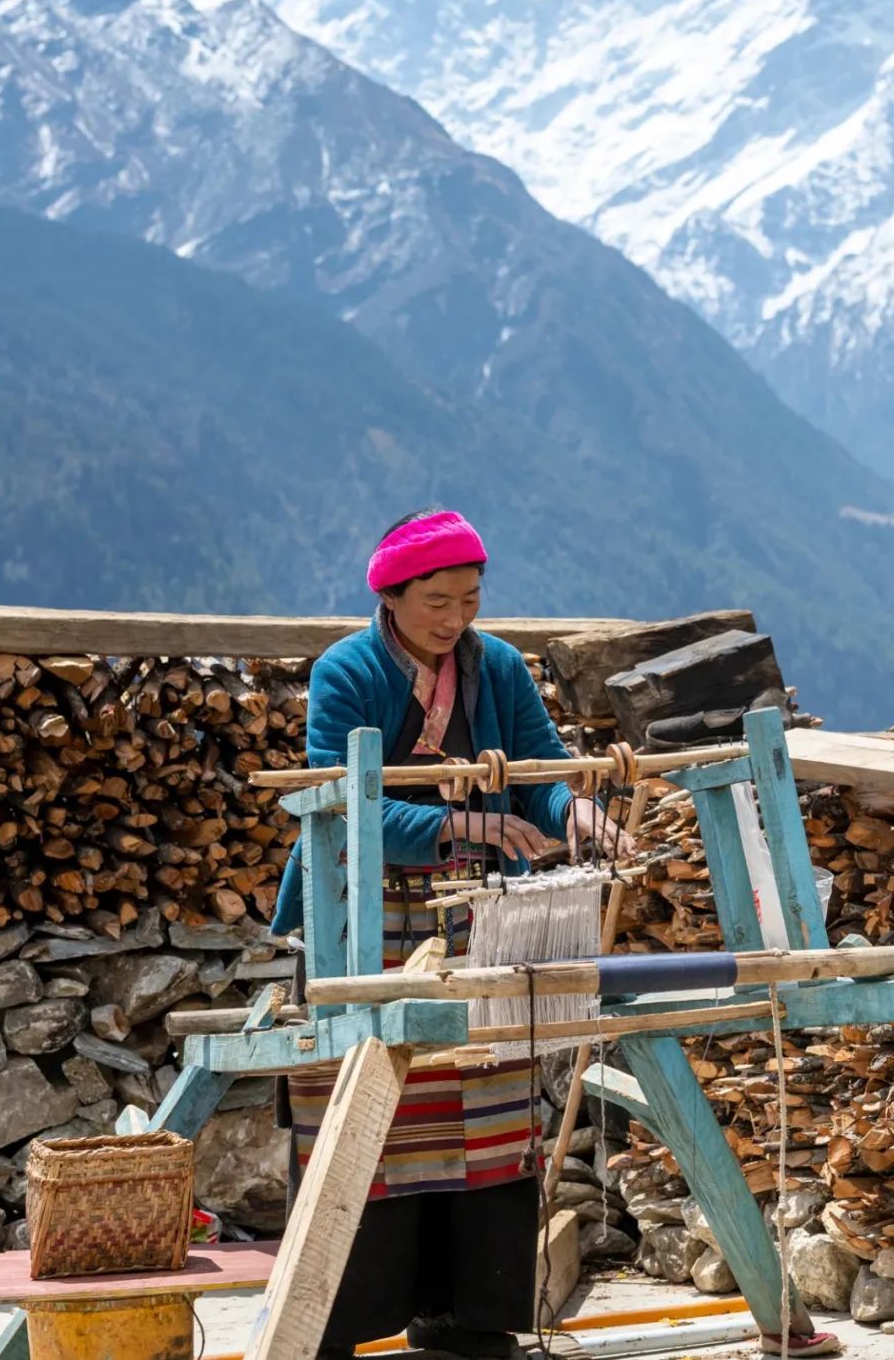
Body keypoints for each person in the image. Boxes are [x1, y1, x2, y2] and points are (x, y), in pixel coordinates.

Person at [271, 508, 621, 1360]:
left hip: (473, 916)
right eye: (437, 600)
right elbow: (341, 803)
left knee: (484, 1101)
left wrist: (572, 810)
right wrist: (461, 823)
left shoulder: (496, 667)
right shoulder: (346, 672)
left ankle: (468, 1316)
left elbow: (536, 773)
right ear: (390, 595)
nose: (455, 618)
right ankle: (335, 1320)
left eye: (469, 599)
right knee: (367, 1110)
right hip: (363, 917)